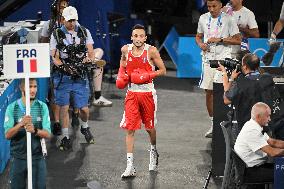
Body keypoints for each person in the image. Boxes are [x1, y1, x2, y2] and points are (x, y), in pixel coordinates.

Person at [117, 24, 166, 178]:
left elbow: (163, 70)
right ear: (132, 37)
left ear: (145, 38)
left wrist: (147, 75)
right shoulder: (125, 49)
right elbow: (123, 65)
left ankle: (153, 150)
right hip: (131, 93)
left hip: (148, 94)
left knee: (149, 128)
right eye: (135, 36)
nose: (138, 39)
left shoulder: (151, 51)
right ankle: (130, 166)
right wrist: (121, 76)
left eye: (141, 36)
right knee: (129, 129)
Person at [50, 6, 95, 150]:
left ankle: (84, 126)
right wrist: (64, 67)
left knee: (84, 109)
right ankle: (65, 136)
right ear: (63, 20)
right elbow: (55, 57)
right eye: (69, 21)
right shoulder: (56, 34)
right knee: (64, 107)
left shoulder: (84, 31)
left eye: (74, 20)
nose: (72, 23)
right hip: (63, 76)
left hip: (80, 76)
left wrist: (87, 60)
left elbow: (91, 52)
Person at [195, 0, 241, 138]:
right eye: (209, 6)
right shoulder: (203, 18)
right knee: (208, 92)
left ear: (221, 5)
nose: (211, 9)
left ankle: (226, 123)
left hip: (223, 60)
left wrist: (220, 40)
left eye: (214, 6)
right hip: (207, 59)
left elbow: (238, 40)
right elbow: (198, 36)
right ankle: (213, 124)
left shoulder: (229, 19)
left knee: (221, 91)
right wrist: (200, 44)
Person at [4, 78, 51, 189]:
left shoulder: (42, 106)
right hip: (18, 158)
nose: (33, 90)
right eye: (29, 86)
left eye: (35, 86)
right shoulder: (12, 108)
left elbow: (48, 134)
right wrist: (21, 124)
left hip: (37, 157)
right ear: (21, 88)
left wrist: (35, 131)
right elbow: (7, 135)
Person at [221, 53, 280, 136]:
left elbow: (226, 100)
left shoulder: (241, 83)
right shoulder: (268, 78)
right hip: (266, 128)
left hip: (247, 129)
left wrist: (229, 78)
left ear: (244, 66)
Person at [234, 102, 284, 185]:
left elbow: (273, 142)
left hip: (254, 167)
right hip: (250, 172)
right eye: (267, 116)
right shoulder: (252, 131)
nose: (270, 119)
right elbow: (272, 152)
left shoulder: (253, 125)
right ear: (258, 116)